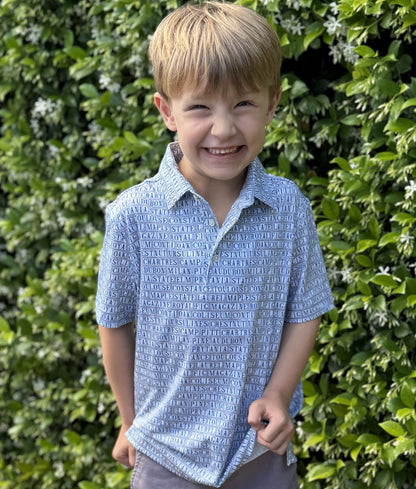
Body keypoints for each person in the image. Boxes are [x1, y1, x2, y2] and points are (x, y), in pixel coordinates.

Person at [96, 2, 334, 488]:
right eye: (200, 107)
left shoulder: (288, 209)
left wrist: (278, 392)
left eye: (244, 104)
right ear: (167, 111)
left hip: (259, 450)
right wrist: (129, 420)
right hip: (164, 452)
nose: (223, 129)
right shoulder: (134, 215)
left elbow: (305, 309)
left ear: (272, 104)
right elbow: (114, 322)